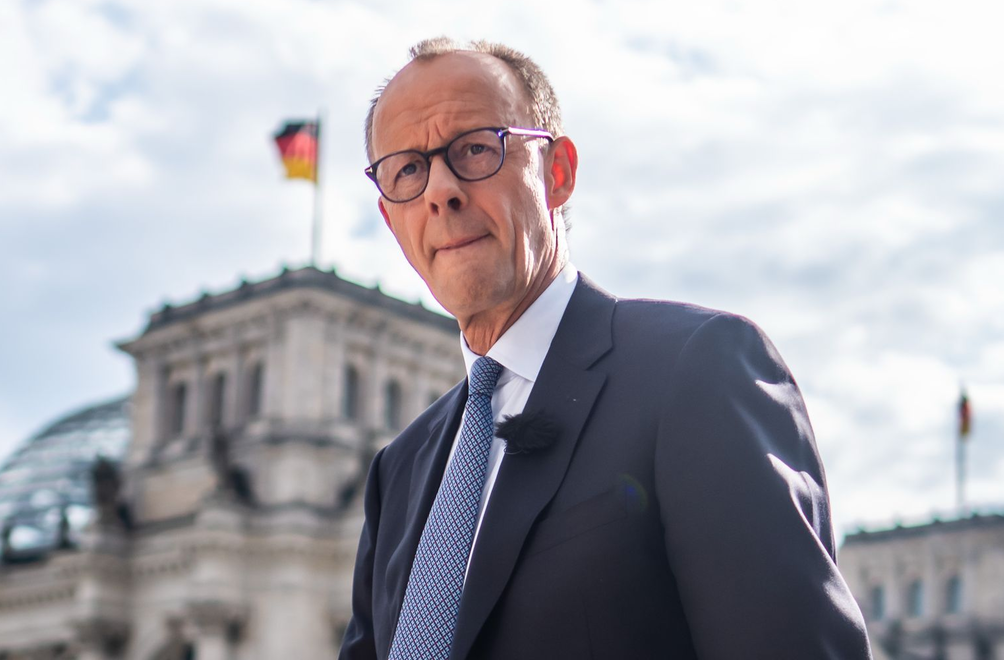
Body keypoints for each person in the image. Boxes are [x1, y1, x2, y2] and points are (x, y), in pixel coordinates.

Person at [339, 37, 871, 660]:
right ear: (390, 217)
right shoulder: (397, 470)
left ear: (557, 173)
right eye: (408, 169)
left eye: (476, 150)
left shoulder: (695, 370)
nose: (441, 191)